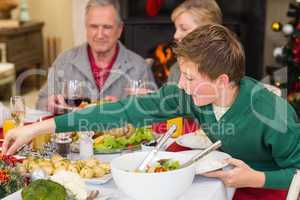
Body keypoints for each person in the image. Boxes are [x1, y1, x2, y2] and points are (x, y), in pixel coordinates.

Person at [3, 25, 300, 196]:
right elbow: (119, 111)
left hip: (270, 192)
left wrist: (257, 179)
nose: (180, 85)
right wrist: (38, 128)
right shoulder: (188, 97)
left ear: (222, 81)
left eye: (191, 78)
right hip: (228, 188)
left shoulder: (270, 110)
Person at [37, 0, 156, 113]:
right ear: (86, 28)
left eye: (107, 27)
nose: (100, 35)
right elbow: (41, 102)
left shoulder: (139, 67)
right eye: (94, 26)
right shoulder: (64, 60)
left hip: (119, 132)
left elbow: (154, 111)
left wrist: (125, 110)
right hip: (74, 131)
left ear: (120, 30)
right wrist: (49, 104)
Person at [167, 0, 222, 84]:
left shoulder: (225, 66)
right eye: (176, 28)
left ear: (208, 30)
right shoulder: (176, 69)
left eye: (184, 28)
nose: (176, 35)